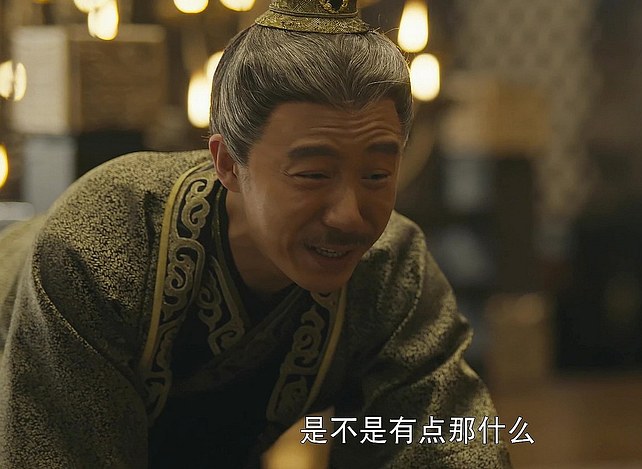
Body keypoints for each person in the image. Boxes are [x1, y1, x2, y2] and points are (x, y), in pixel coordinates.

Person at [0, 0, 512, 467]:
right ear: (227, 163)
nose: (350, 217)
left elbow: (451, 440)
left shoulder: (391, 267)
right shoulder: (103, 240)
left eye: (377, 175)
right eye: (313, 174)